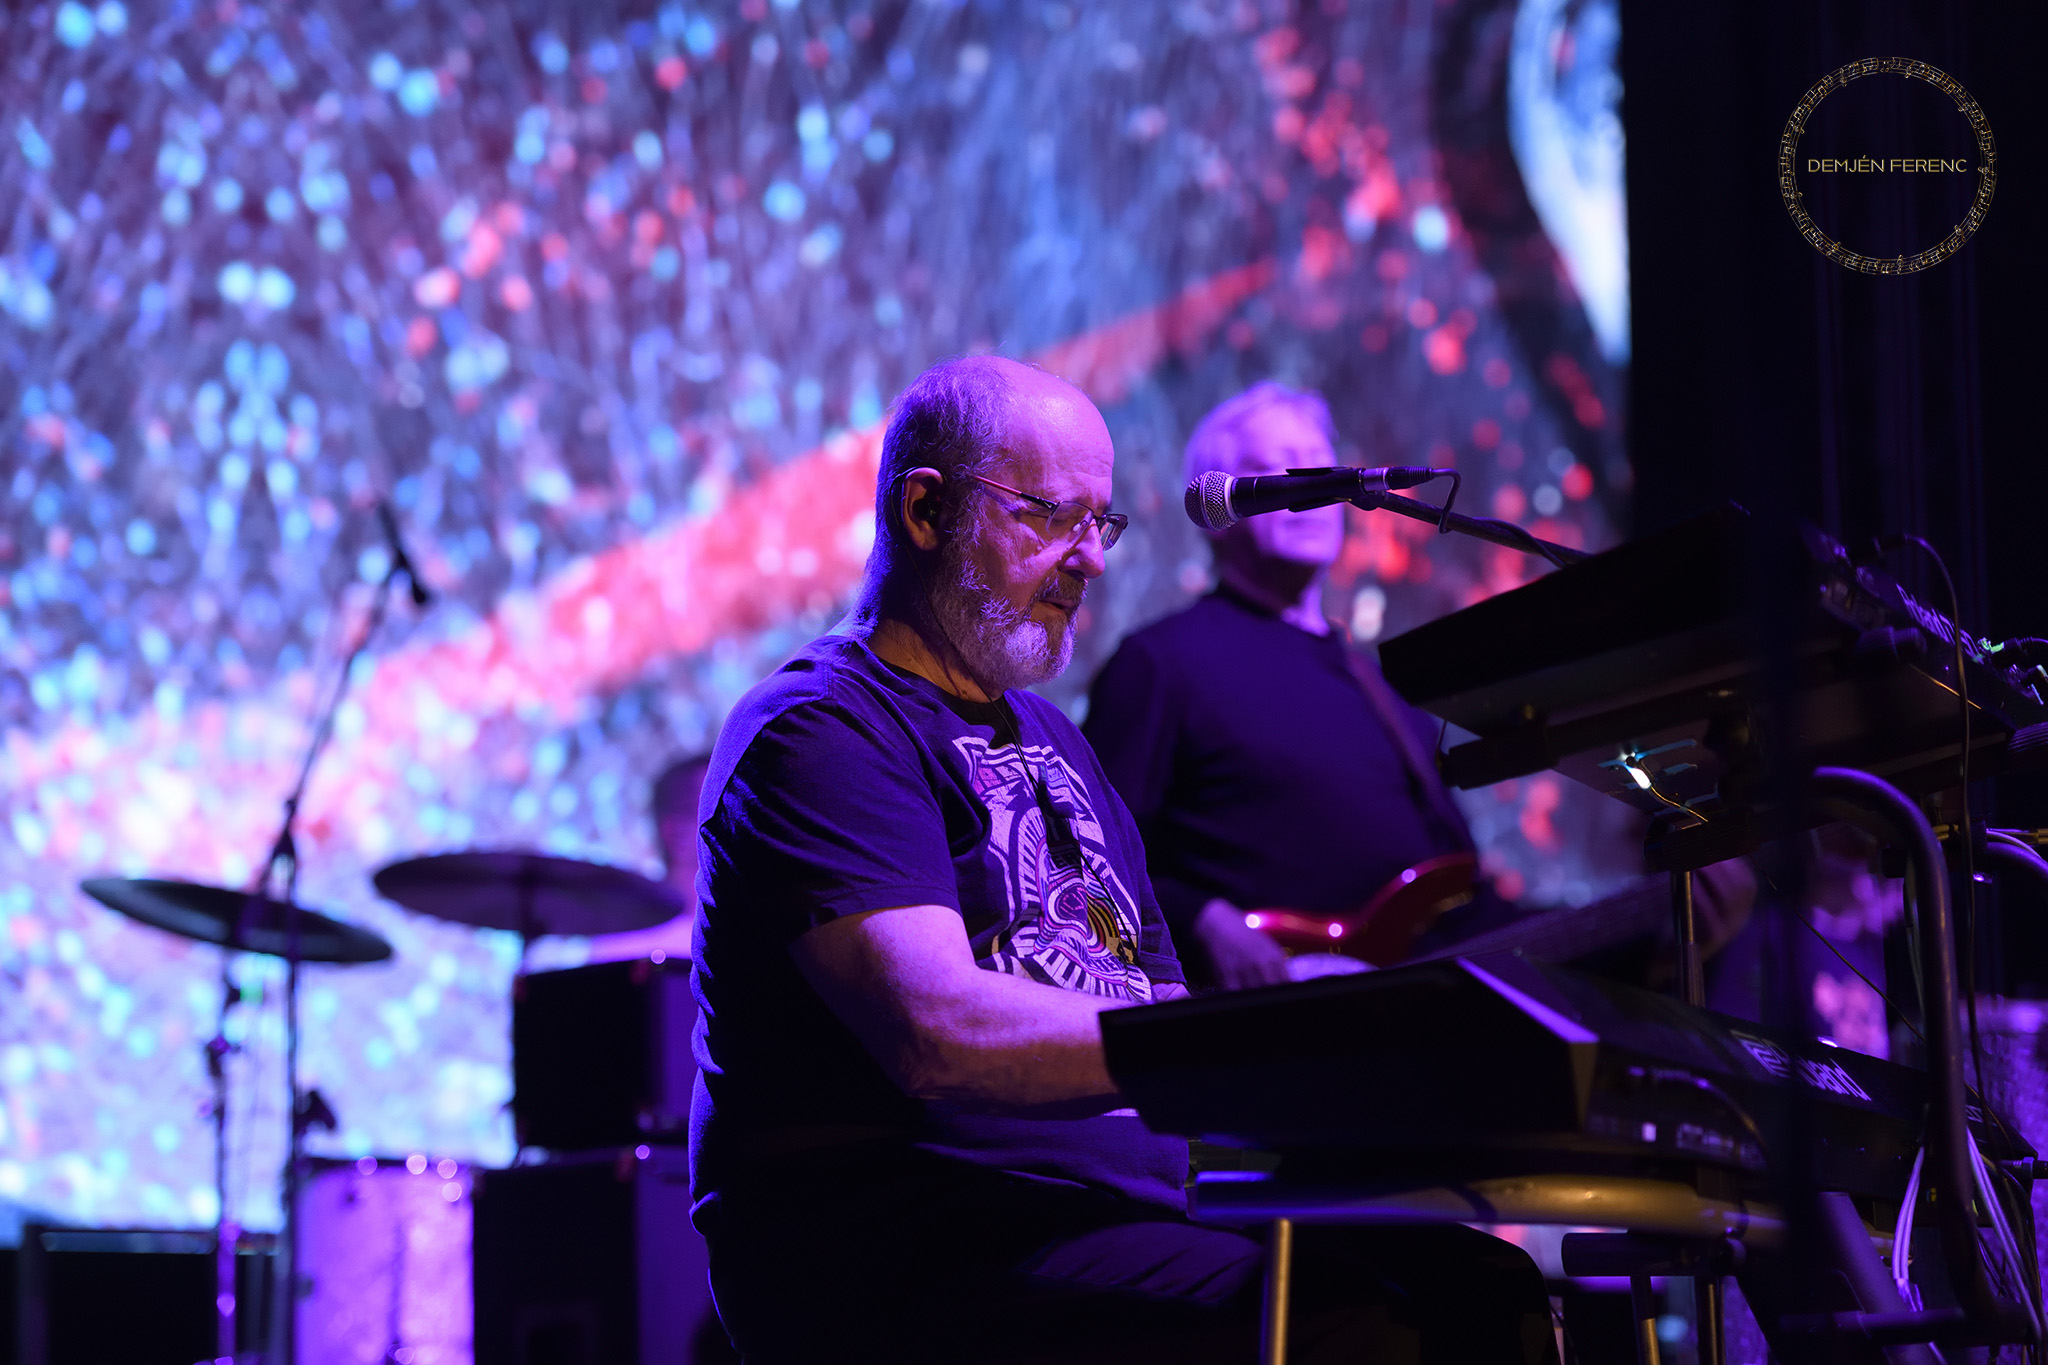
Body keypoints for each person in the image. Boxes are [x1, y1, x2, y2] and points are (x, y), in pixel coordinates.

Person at [687, 357, 1558, 1363]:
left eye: (1099, 523)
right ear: (925, 511)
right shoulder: (822, 727)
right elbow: (937, 1030)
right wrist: (1254, 1040)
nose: (1092, 559)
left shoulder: (1057, 743)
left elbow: (1156, 1006)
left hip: (1118, 1214)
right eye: (1051, 516)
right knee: (1367, 1331)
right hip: (912, 1235)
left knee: (1484, 1291)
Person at [1086, 382, 1751, 991]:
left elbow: (1469, 916)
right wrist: (1200, 917)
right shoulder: (1162, 663)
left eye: (1320, 467)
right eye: (1278, 468)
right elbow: (1087, 852)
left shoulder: (1380, 689)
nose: (1310, 489)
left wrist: (1654, 929)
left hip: (1426, 1014)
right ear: (1222, 504)